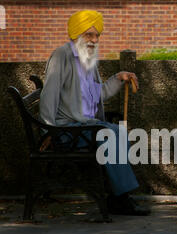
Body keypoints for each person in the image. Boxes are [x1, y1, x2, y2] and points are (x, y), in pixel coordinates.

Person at [39, 10, 149, 215]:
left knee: (118, 131)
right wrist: (48, 131)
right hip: (67, 131)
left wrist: (118, 77)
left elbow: (97, 95)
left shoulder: (87, 59)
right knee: (112, 134)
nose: (94, 40)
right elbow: (49, 95)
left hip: (84, 127)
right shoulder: (62, 55)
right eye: (89, 34)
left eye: (97, 35)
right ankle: (121, 199)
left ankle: (118, 197)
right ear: (76, 34)